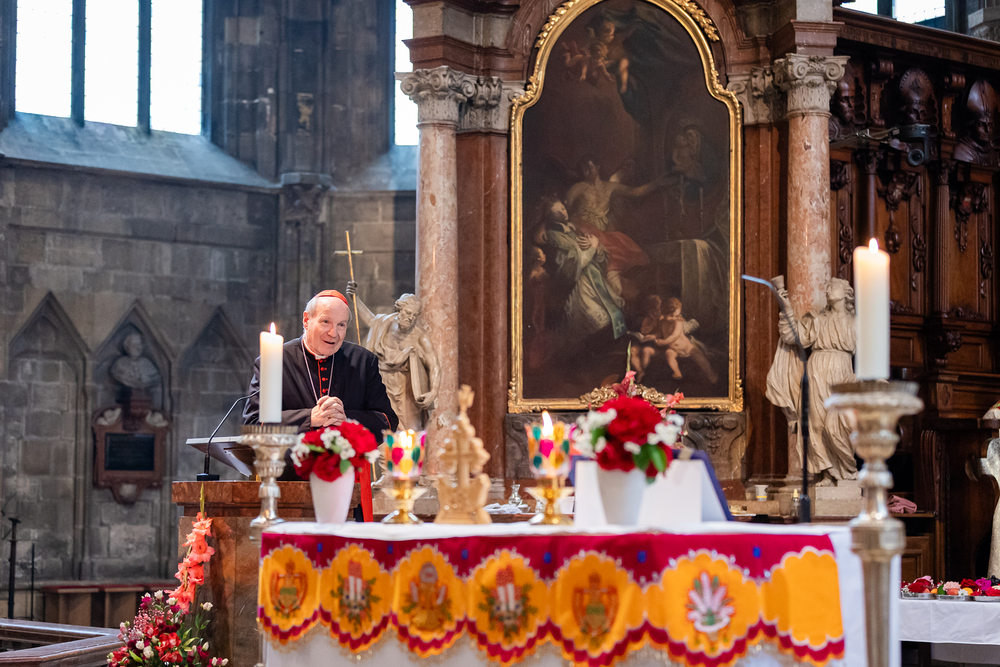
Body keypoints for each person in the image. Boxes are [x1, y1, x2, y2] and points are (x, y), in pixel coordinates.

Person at [243, 290, 398, 495]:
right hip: (288, 486)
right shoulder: (275, 361)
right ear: (306, 320)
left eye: (341, 325)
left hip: (347, 486)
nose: (334, 333)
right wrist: (310, 418)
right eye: (326, 322)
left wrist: (346, 419)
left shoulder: (363, 361)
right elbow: (255, 425)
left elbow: (387, 422)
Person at [776, 278, 857, 484]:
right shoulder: (817, 320)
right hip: (815, 373)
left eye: (833, 286)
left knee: (838, 423)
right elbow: (793, 336)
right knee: (816, 422)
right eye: (827, 286)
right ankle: (827, 473)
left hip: (841, 372)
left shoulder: (855, 323)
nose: (828, 289)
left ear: (846, 293)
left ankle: (846, 470)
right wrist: (786, 309)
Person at [345, 283, 440, 432]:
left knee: (411, 429)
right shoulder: (384, 323)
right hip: (381, 383)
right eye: (408, 313)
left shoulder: (420, 337)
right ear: (399, 309)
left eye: (414, 316)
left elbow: (434, 365)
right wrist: (355, 298)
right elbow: (370, 320)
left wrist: (433, 392)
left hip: (405, 388)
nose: (410, 318)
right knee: (381, 427)